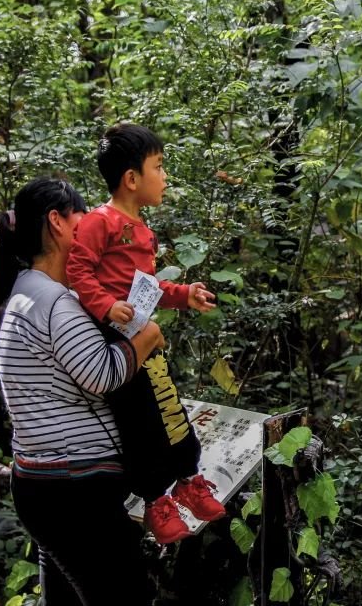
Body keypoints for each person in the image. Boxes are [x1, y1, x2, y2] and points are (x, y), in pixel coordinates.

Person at [0, 176, 163, 606]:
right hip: (73, 490)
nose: (91, 230)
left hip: (46, 483)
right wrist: (146, 339)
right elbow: (101, 374)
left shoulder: (26, 292)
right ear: (57, 222)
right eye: (83, 219)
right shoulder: (55, 302)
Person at [66, 123, 224, 544]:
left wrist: (184, 295)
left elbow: (146, 288)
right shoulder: (100, 222)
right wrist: (105, 305)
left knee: (170, 408)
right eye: (159, 166)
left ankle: (189, 480)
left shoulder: (141, 229)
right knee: (141, 423)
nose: (165, 175)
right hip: (116, 343)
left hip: (142, 337)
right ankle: (156, 501)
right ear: (132, 179)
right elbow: (78, 270)